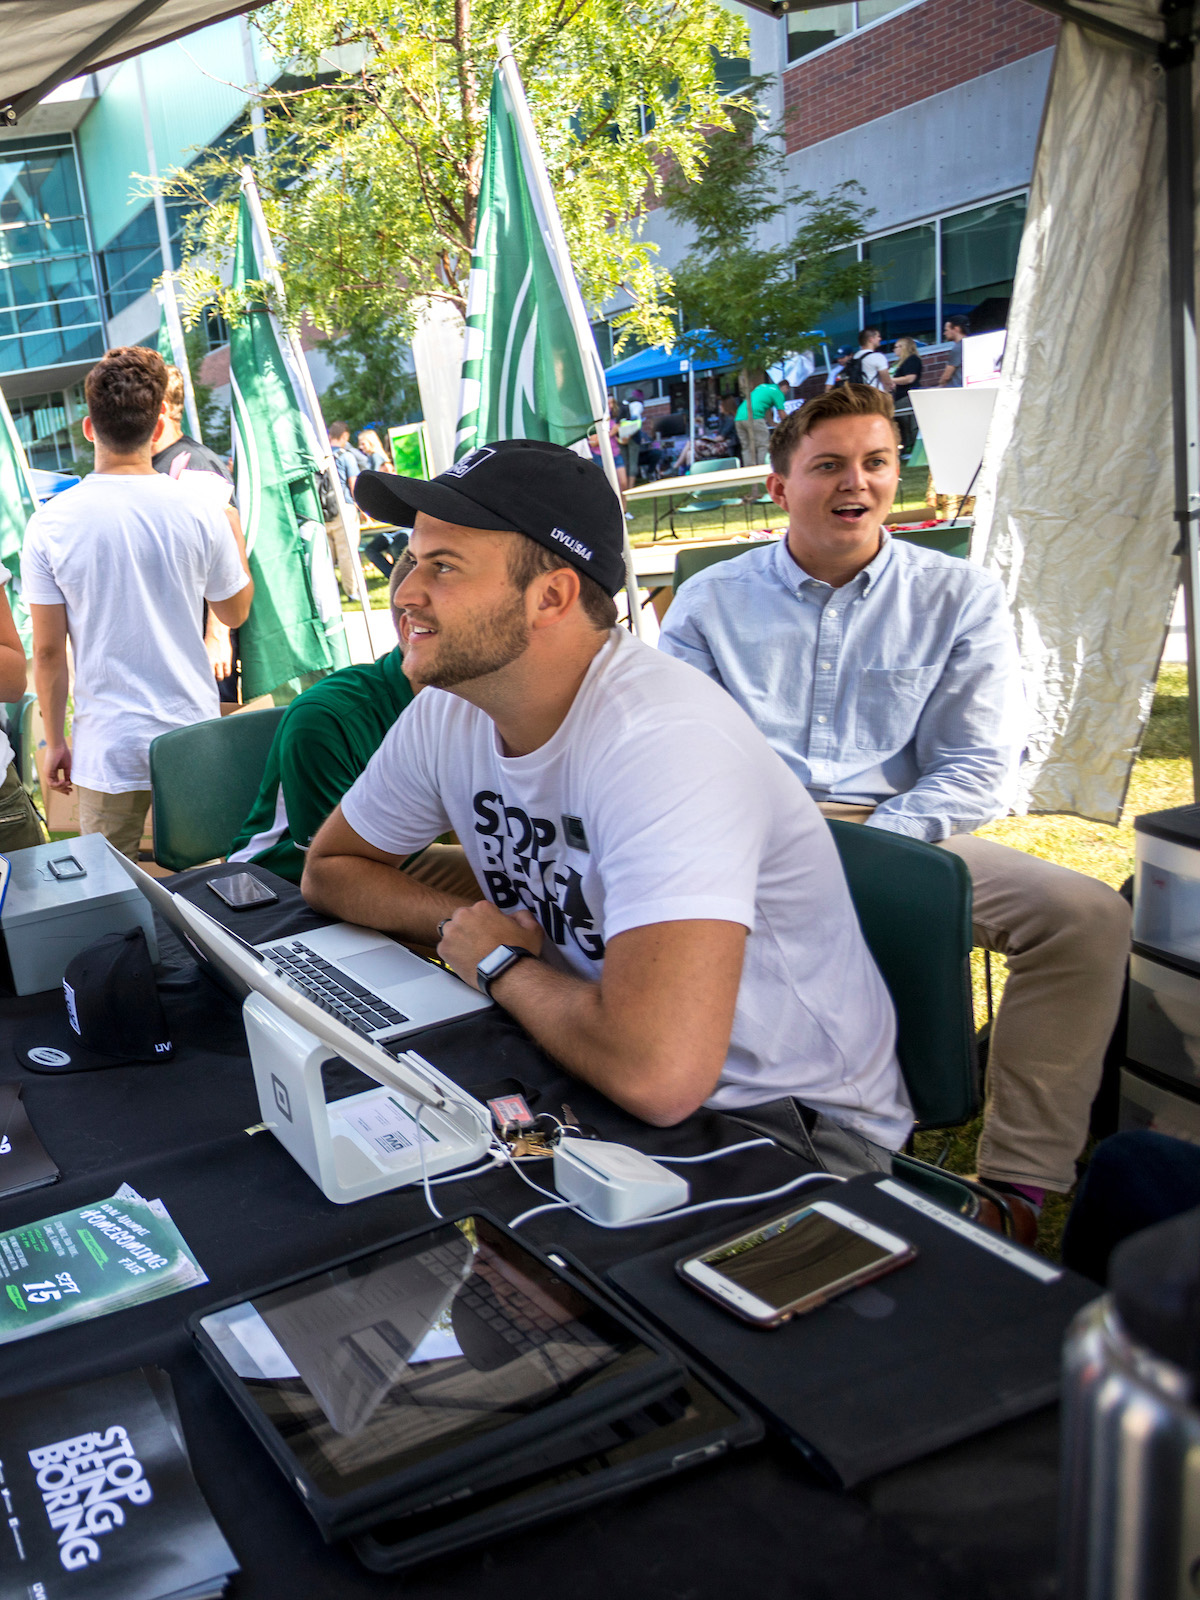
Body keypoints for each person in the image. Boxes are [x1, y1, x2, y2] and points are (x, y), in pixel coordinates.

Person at [302, 439, 909, 1176]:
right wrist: (462, 931)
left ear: (551, 597)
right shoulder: (453, 707)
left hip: (787, 1131)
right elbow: (332, 868)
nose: (404, 592)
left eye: (444, 567)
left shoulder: (665, 743)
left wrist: (494, 961)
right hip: (598, 1063)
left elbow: (659, 1077)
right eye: (409, 560)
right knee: (366, 1166)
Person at [659, 385, 1132, 1235]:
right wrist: (786, 841)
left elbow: (977, 762)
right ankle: (758, 1152)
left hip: (905, 833)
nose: (859, 482)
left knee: (1086, 917)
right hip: (755, 837)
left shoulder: (959, 595)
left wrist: (884, 844)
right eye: (830, 465)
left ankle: (1016, 1189)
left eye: (877, 462)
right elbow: (684, 756)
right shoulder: (711, 600)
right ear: (780, 487)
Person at [22, 347, 254, 860]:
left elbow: (47, 653)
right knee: (208, 890)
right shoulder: (202, 510)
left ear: (88, 428)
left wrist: (55, 739)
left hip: (106, 743)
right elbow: (235, 613)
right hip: (191, 733)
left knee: (111, 896)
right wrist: (232, 537)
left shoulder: (50, 524)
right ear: (156, 429)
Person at [228, 561, 478, 906]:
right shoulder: (328, 718)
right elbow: (340, 869)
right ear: (413, 629)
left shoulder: (478, 706)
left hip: (384, 866)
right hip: (278, 890)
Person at [153, 365, 242, 705]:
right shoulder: (156, 462)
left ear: (160, 408)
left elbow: (223, 554)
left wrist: (217, 635)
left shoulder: (193, 464)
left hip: (201, 637)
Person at [327, 422, 367, 595]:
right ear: (344, 436)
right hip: (344, 508)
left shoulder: (322, 457)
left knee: (328, 555)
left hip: (325, 510)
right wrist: (363, 507)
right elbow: (353, 484)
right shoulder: (346, 456)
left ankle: (330, 592)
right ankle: (352, 591)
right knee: (347, 553)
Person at [734, 370, 786, 467]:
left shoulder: (763, 387)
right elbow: (781, 412)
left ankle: (749, 472)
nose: (785, 395)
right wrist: (788, 425)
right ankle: (762, 470)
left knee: (747, 447)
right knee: (763, 444)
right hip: (754, 417)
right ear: (785, 387)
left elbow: (765, 408)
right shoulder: (777, 392)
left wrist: (771, 423)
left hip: (739, 418)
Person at [890, 337, 924, 452]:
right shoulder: (898, 363)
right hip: (900, 396)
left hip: (907, 396)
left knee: (911, 424)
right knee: (903, 424)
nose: (894, 349)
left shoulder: (912, 360)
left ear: (903, 347)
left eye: (896, 347)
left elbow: (910, 378)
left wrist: (891, 380)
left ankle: (915, 450)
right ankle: (909, 449)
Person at [937, 316, 969, 387]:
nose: (944, 333)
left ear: (956, 329)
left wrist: (940, 384)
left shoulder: (958, 348)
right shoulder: (971, 344)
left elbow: (946, 376)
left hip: (956, 389)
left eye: (946, 330)